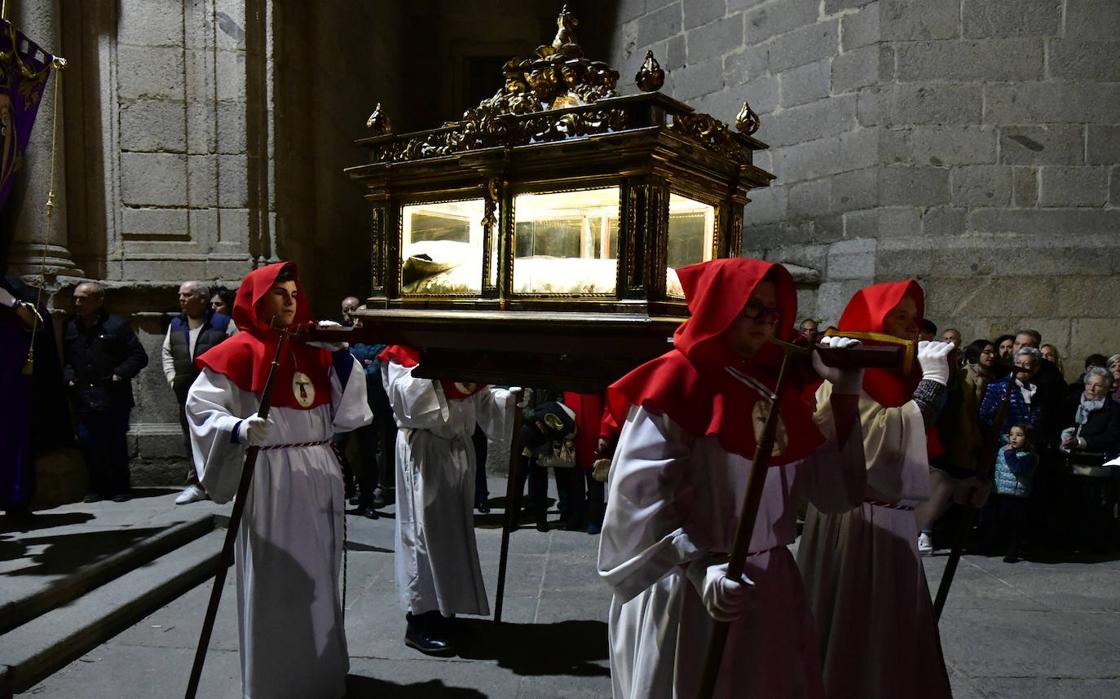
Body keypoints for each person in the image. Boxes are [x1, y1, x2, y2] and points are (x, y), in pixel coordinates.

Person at [598, 258, 868, 699]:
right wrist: (700, 565)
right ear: (720, 307)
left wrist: (844, 392)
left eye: (772, 311)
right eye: (751, 307)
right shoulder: (677, 377)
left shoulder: (776, 385)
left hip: (770, 582)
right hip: (694, 585)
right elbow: (637, 499)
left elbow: (833, 493)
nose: (765, 321)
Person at [186, 262, 371, 698]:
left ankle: (320, 676)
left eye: (293, 293)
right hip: (271, 475)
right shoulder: (237, 350)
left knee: (320, 574)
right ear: (257, 300)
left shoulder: (314, 347)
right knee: (278, 578)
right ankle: (276, 684)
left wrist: (341, 355)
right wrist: (236, 428)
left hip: (320, 469)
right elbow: (200, 409)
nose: (290, 301)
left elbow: (350, 411)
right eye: (278, 294)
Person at [796, 280, 955, 699]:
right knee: (858, 629)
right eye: (896, 317)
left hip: (894, 523)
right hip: (855, 522)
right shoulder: (848, 373)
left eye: (912, 318)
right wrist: (934, 385)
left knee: (892, 632)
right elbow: (875, 453)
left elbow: (916, 450)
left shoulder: (902, 375)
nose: (908, 328)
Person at [380, 345, 516, 655]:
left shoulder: (466, 354)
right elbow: (404, 402)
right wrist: (440, 372)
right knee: (423, 537)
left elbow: (483, 401)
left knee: (452, 537)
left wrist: (509, 399)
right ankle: (419, 621)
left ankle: (446, 611)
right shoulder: (401, 353)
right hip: (425, 450)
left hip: (458, 450)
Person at [63, 282, 149, 503]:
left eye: (83, 298)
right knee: (88, 442)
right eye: (76, 298)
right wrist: (69, 377)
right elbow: (67, 359)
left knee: (114, 442)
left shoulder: (116, 326)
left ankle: (120, 486)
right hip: (83, 395)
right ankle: (96, 487)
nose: (78, 303)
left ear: (99, 300)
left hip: (112, 395)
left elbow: (138, 356)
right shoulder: (71, 327)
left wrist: (118, 375)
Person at [915, 339, 995, 555]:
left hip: (952, 441)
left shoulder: (965, 383)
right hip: (934, 439)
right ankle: (925, 533)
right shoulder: (950, 379)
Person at [1, 275, 70, 522]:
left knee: (13, 439)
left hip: (9, 383)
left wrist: (12, 303)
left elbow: (38, 324)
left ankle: (15, 501)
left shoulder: (14, 287)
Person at [164, 281, 235, 505]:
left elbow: (237, 351)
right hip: (186, 393)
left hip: (218, 394)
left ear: (202, 299)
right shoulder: (175, 324)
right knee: (191, 437)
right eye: (180, 295)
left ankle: (230, 484)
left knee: (224, 437)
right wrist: (173, 379)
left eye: (187, 295)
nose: (182, 299)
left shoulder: (224, 323)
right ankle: (198, 484)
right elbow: (167, 352)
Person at [991, 424, 1038, 563]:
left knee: (1015, 523)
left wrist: (1009, 454)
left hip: (1018, 495)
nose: (1014, 438)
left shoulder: (1029, 456)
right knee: (1003, 519)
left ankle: (1014, 550)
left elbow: (1017, 468)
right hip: (1002, 492)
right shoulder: (1002, 450)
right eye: (1012, 434)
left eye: (1019, 435)